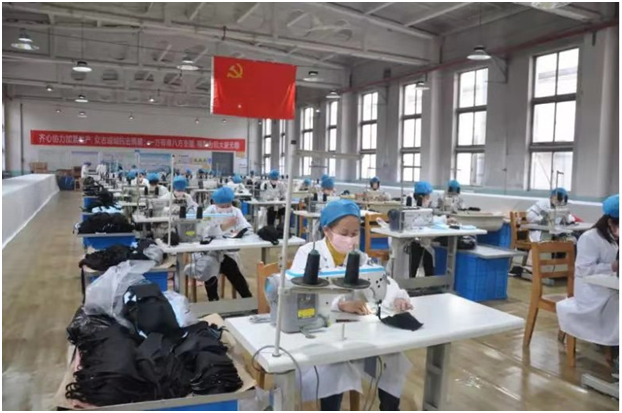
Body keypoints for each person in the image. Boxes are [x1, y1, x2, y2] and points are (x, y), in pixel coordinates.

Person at [291, 200, 412, 411]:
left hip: (354, 330)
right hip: (317, 330)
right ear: (327, 231)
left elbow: (382, 280)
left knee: (392, 356)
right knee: (334, 364)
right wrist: (340, 304)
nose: (350, 239)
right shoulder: (308, 253)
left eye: (355, 233)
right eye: (344, 233)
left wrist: (397, 297)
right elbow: (299, 294)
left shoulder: (359, 257)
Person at [557, 194, 619, 347]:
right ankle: (614, 346)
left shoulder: (614, 237)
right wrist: (612, 266)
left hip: (609, 285)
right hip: (591, 291)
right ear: (610, 222)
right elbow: (583, 270)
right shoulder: (590, 238)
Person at [199, 186, 253, 301]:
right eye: (222, 206)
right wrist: (223, 227)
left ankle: (247, 299)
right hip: (210, 252)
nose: (226, 209)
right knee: (212, 265)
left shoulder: (236, 211)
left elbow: (247, 227)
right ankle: (213, 299)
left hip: (229, 252)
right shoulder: (209, 212)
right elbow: (202, 231)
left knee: (230, 265)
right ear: (215, 203)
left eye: (228, 205)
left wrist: (241, 232)